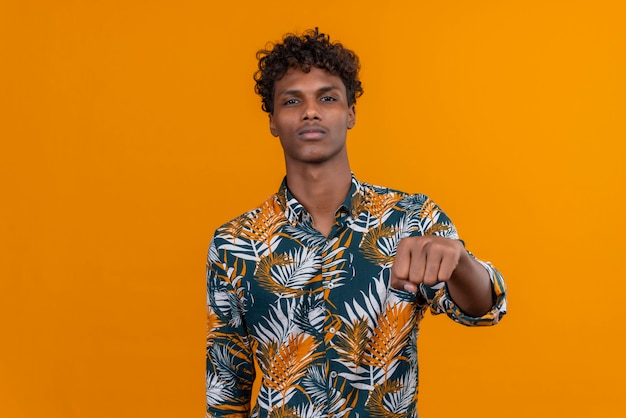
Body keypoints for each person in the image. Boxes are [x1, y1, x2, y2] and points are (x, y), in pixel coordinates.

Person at [206, 28, 507, 418]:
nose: (310, 111)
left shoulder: (410, 218)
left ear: (350, 113)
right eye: (292, 100)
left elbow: (484, 309)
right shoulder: (234, 242)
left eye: (327, 98)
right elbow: (227, 389)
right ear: (273, 120)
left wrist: (460, 261)